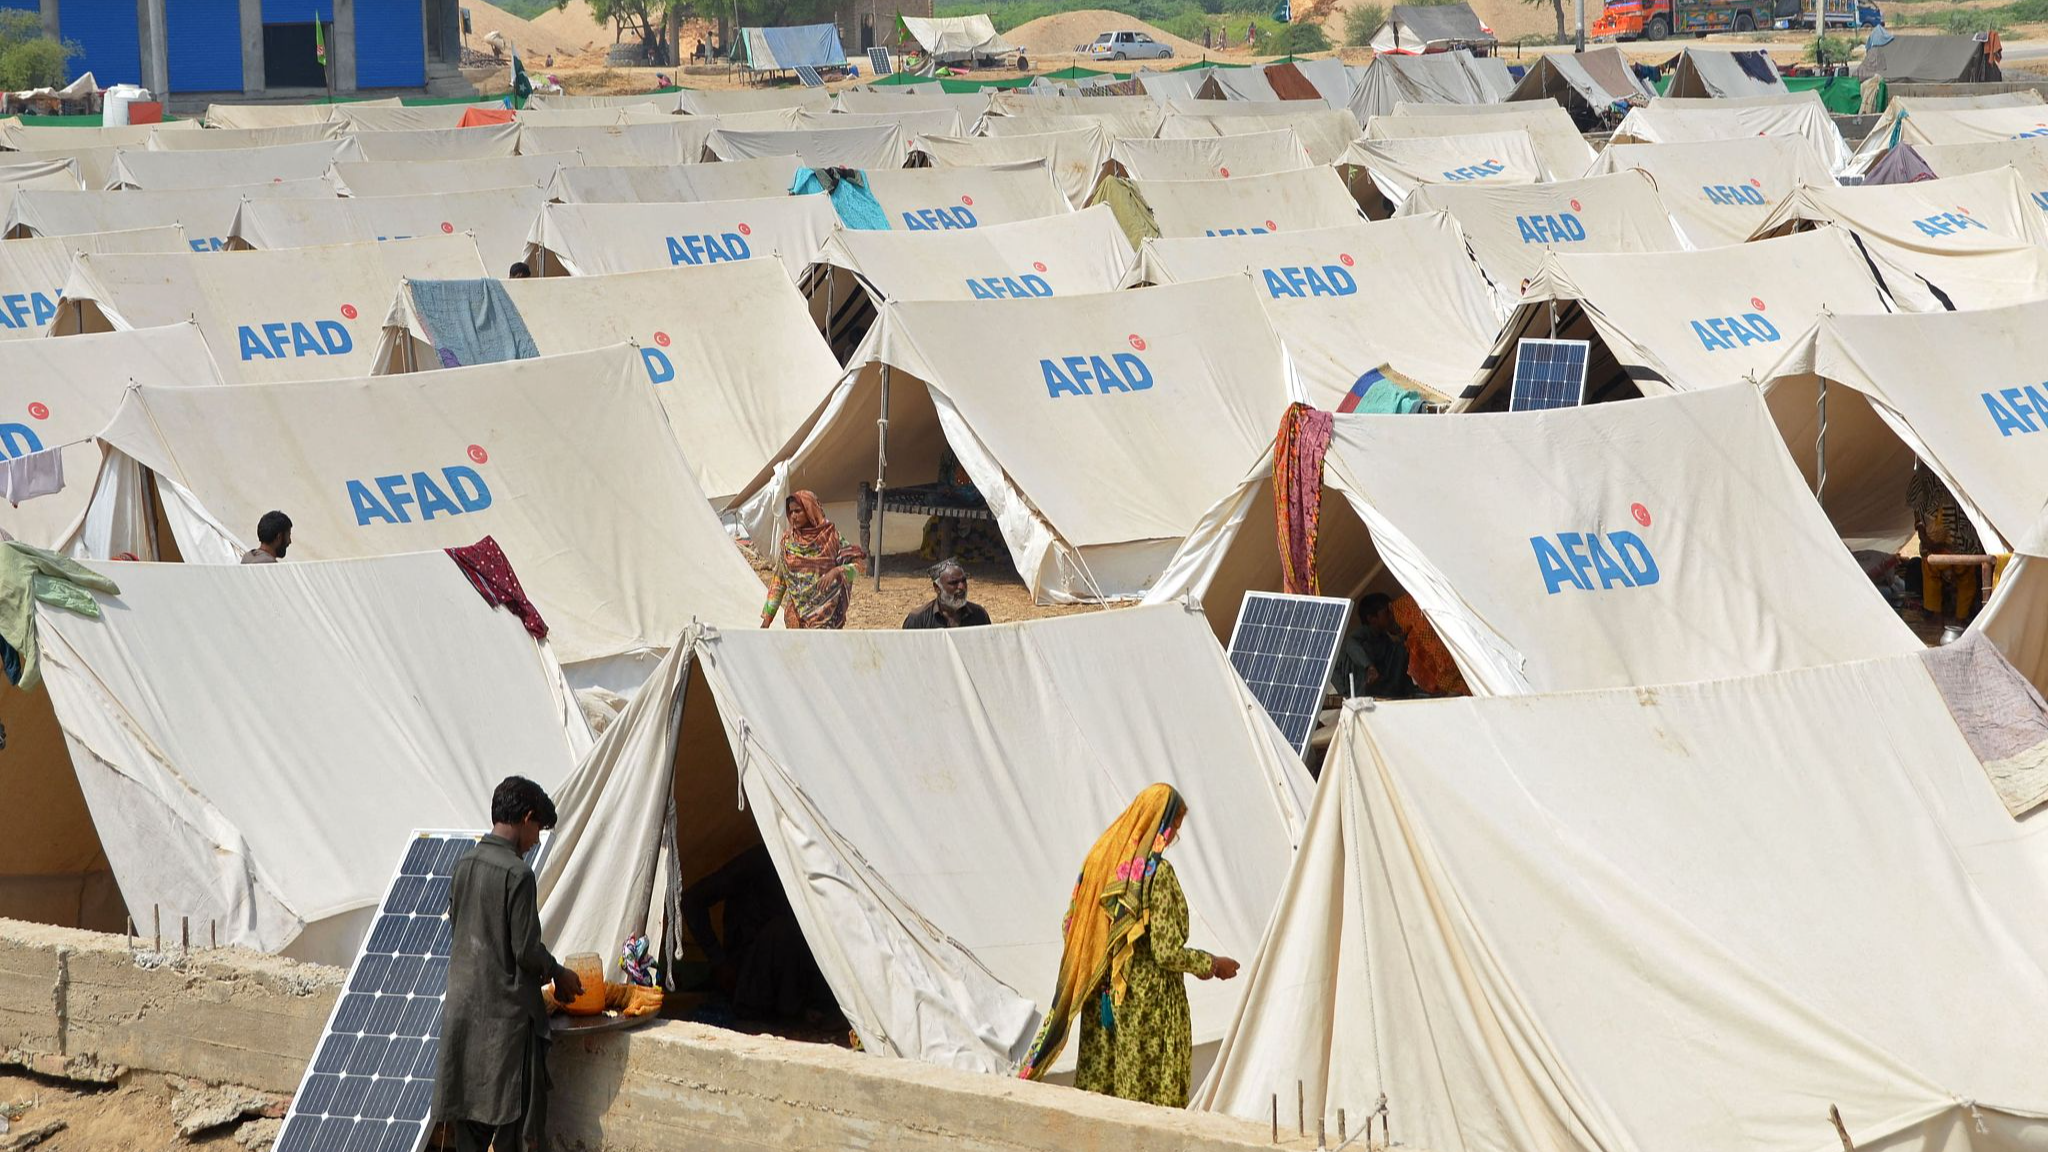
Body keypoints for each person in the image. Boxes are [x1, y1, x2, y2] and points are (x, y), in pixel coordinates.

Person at [1019, 783, 1238, 1106]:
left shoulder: (1099, 861)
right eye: (1173, 825)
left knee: (1102, 1096)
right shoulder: (1155, 874)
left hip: (1102, 1001)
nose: (1172, 835)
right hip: (1146, 1007)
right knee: (1144, 1103)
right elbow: (1166, 952)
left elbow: (1072, 923)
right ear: (1156, 821)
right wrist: (1212, 964)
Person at [434, 777, 583, 1152]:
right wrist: (559, 973)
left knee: (469, 1123)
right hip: (506, 1026)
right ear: (527, 818)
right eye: (537, 831)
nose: (534, 842)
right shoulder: (518, 874)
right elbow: (526, 950)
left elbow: (463, 927)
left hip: (463, 1016)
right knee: (515, 1126)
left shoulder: (464, 863)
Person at [679, 844, 834, 1023]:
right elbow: (692, 901)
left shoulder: (817, 869)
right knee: (783, 931)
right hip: (748, 977)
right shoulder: (760, 862)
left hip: (789, 977)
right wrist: (719, 961)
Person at [761, 491, 864, 630]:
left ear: (810, 510)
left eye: (798, 511)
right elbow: (779, 582)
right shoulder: (788, 542)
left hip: (825, 618)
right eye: (790, 512)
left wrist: (837, 571)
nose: (793, 516)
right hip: (795, 620)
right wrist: (767, 620)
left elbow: (860, 568)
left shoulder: (831, 538)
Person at [1330, 592, 1417, 698]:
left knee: (1401, 648)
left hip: (1379, 687)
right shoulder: (1361, 636)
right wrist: (1368, 667)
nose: (1391, 617)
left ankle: (1401, 693)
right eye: (1387, 613)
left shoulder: (1384, 639)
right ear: (1372, 619)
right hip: (1354, 689)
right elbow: (1350, 644)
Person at [902, 558, 991, 629]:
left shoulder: (979, 615)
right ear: (937, 588)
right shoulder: (918, 619)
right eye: (953, 583)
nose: (961, 587)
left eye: (963, 581)